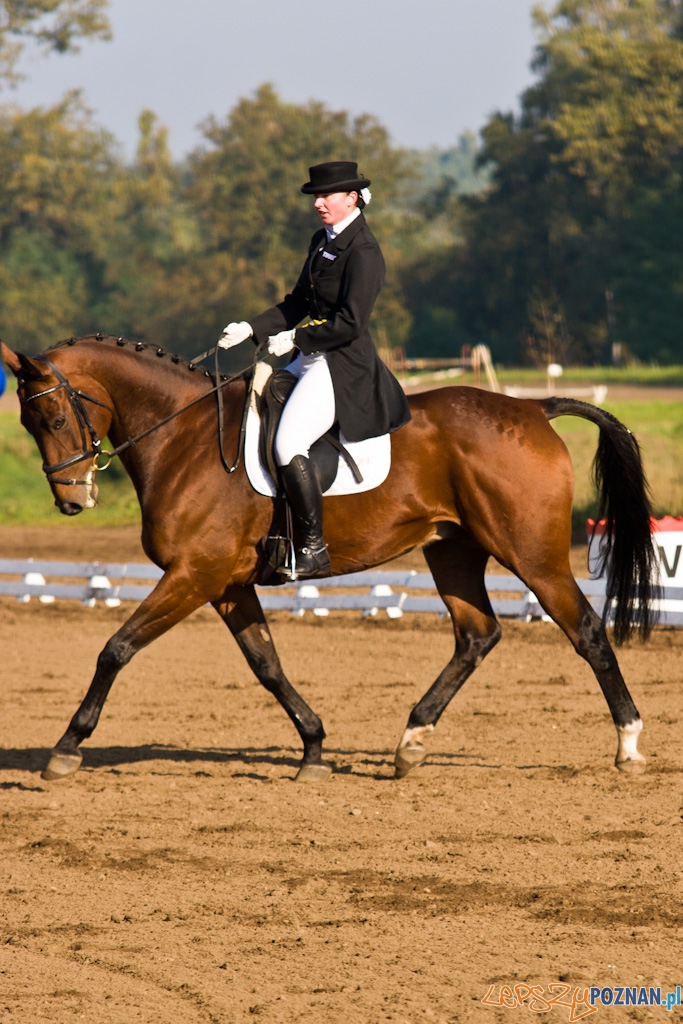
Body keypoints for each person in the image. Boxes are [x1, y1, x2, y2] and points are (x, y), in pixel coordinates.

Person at [219, 160, 411, 579]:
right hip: (308, 358)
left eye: (326, 196)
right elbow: (298, 304)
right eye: (315, 197)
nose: (319, 203)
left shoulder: (364, 251)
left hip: (342, 366)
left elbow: (352, 323)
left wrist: (297, 339)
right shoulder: (321, 241)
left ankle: (312, 546)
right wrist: (251, 328)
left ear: (352, 198)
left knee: (288, 444)